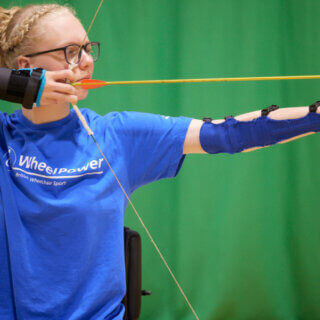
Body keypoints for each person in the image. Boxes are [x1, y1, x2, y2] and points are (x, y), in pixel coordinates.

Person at [1, 3, 320, 320]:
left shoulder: (116, 135)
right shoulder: (5, 135)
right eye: (70, 51)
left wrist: (316, 117)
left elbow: (229, 134)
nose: (85, 62)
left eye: (87, 49)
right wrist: (18, 85)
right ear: (25, 65)